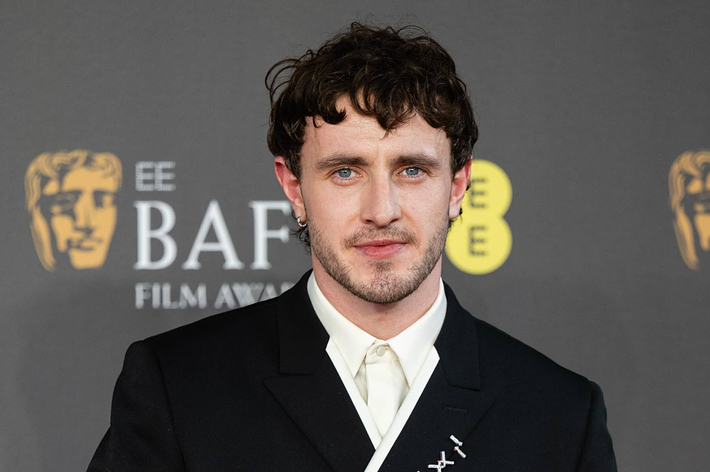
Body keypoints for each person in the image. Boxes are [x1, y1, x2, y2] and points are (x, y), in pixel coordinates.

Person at [88, 23, 617, 471]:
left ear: (457, 187)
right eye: (345, 171)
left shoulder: (559, 415)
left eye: (412, 170)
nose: (381, 209)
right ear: (295, 187)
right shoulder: (179, 387)